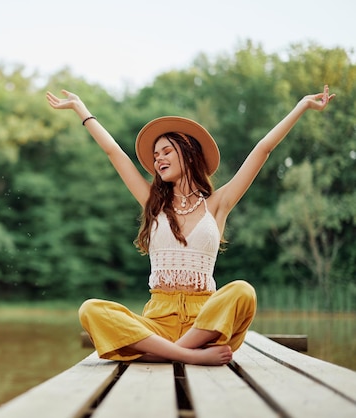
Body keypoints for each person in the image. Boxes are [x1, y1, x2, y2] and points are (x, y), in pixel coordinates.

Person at [46, 85, 335, 366]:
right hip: (157, 323)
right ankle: (186, 355)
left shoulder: (218, 204)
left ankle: (159, 354)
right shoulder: (153, 202)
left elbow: (263, 149)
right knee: (91, 310)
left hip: (206, 324)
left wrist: (302, 106)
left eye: (166, 151)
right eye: (156, 156)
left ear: (188, 152)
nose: (158, 159)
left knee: (243, 291)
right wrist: (80, 108)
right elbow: (114, 153)